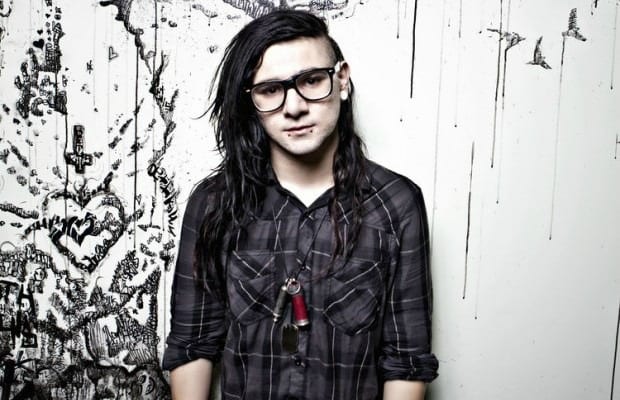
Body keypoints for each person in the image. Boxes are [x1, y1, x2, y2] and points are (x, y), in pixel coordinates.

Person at [162, 9, 438, 400]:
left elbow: (406, 361)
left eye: (311, 81)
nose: (294, 107)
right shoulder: (213, 203)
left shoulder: (396, 203)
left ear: (341, 80)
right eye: (270, 89)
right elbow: (192, 345)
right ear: (251, 100)